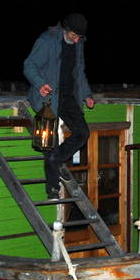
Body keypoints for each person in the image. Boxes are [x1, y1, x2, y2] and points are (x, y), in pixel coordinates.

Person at [24, 13, 95, 199]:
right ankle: (53, 188)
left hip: (68, 96)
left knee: (82, 133)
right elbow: (29, 65)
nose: (76, 39)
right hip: (48, 96)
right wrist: (40, 84)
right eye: (73, 35)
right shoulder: (47, 41)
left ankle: (57, 159)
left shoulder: (78, 45)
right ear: (66, 29)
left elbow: (80, 72)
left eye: (79, 36)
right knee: (49, 141)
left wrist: (87, 94)